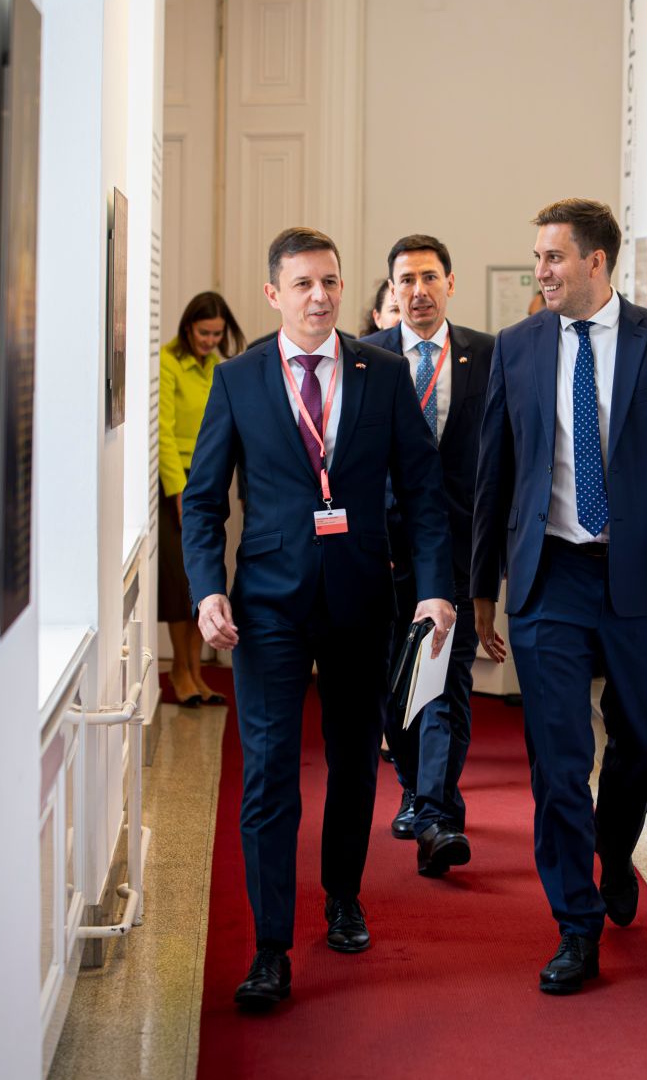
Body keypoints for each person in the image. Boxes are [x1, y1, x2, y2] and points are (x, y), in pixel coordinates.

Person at [182, 226, 456, 1011]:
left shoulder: (382, 372)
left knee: (353, 760)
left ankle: (343, 896)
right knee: (269, 772)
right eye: (303, 283)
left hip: (360, 596)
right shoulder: (238, 379)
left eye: (330, 281)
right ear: (274, 293)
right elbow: (202, 501)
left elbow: (425, 492)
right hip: (266, 605)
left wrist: (435, 587)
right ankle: (270, 946)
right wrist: (206, 590)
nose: (320, 296)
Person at [472, 198, 647, 995]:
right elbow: (493, 474)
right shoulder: (517, 346)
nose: (541, 271)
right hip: (549, 574)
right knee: (558, 758)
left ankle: (613, 849)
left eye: (553, 257)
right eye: (538, 257)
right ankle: (575, 925)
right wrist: (480, 588)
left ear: (596, 261)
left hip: (641, 574)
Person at [362, 234, 496, 876]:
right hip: (382, 549)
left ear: (450, 283)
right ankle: (417, 790)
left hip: (461, 546)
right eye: (405, 281)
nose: (418, 291)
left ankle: (438, 813)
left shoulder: (487, 355)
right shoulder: (366, 358)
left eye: (429, 278)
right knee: (394, 684)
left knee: (446, 678)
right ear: (392, 290)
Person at [158, 290, 243, 705]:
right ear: (188, 327)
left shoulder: (218, 369)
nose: (210, 341)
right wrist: (178, 490)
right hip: (175, 483)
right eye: (204, 333)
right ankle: (180, 669)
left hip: (208, 480)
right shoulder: (168, 362)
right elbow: (163, 430)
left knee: (201, 579)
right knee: (179, 582)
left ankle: (195, 670)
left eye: (216, 334)